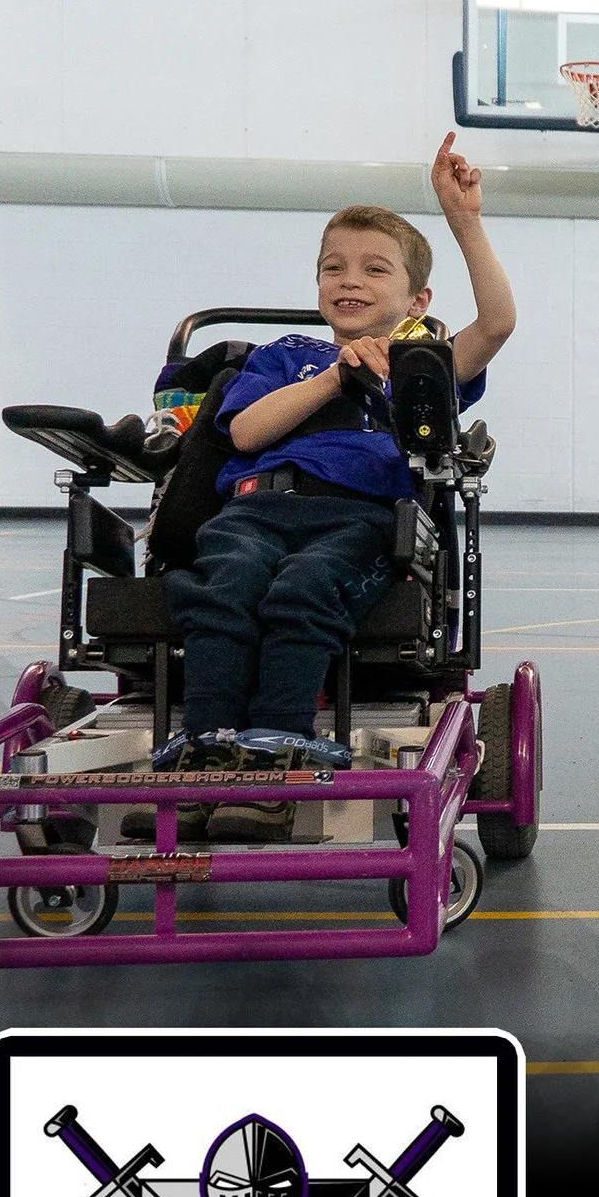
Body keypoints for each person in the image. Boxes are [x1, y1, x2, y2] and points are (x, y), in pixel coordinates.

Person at [145, 134, 516, 840]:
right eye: (333, 267)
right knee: (220, 589)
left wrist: (464, 220)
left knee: (302, 592)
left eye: (375, 269)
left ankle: (273, 768)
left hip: (357, 522)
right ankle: (205, 758)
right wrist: (334, 377)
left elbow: (496, 324)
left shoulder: (420, 365)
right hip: (255, 510)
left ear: (417, 297)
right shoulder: (284, 355)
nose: (350, 279)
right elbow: (247, 434)